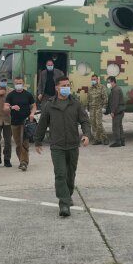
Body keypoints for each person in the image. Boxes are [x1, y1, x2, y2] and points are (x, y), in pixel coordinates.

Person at [35, 75, 91, 217]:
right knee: (60, 174)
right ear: (57, 88)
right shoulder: (49, 105)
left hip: (73, 145)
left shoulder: (75, 104)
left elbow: (85, 121)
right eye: (63, 85)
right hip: (57, 146)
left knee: (70, 175)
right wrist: (37, 141)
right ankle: (64, 204)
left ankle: (68, 194)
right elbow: (42, 124)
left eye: (68, 85)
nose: (66, 88)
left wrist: (86, 134)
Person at [4, 76, 36, 171]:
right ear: (14, 84)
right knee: (18, 144)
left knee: (24, 142)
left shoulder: (28, 95)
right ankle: (21, 160)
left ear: (23, 83)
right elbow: (5, 108)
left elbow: (34, 106)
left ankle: (24, 162)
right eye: (17, 83)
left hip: (25, 122)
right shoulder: (10, 95)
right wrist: (12, 107)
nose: (19, 85)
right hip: (14, 122)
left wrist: (32, 114)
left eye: (20, 83)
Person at [87, 74, 108, 145]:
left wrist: (104, 107)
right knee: (93, 124)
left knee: (98, 124)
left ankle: (105, 138)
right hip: (92, 109)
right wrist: (88, 108)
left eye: (94, 79)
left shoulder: (102, 87)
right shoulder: (90, 89)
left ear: (97, 80)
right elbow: (89, 99)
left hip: (99, 108)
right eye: (92, 79)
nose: (93, 81)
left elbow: (105, 98)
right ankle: (97, 139)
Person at [106, 76, 126, 147]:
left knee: (115, 127)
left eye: (108, 82)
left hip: (117, 112)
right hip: (120, 111)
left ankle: (117, 142)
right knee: (119, 127)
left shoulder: (115, 90)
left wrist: (112, 112)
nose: (108, 84)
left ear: (113, 82)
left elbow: (115, 102)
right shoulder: (116, 89)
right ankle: (122, 141)